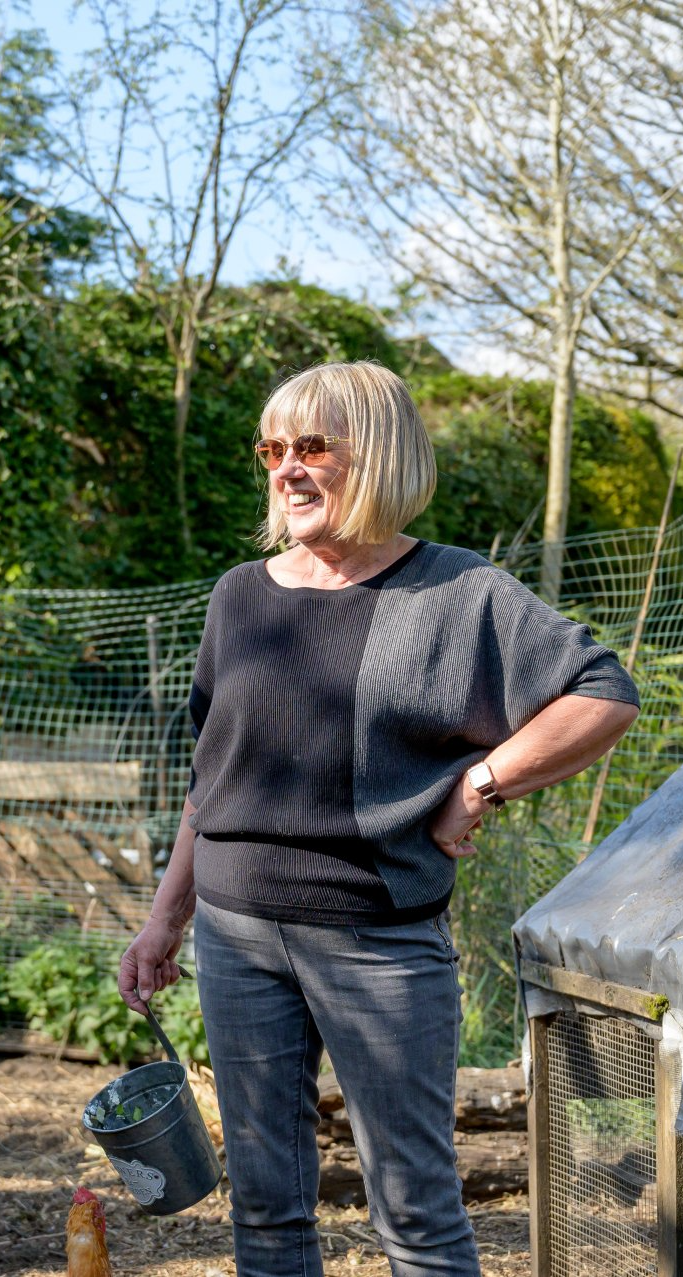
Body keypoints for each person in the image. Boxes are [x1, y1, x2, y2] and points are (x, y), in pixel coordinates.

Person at [118, 361, 639, 1277]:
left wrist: (481, 781)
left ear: (382, 452)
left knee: (416, 1214)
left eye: (312, 445)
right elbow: (213, 776)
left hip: (379, 941)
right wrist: (167, 918)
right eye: (271, 450)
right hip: (237, 938)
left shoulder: (458, 593)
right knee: (268, 1210)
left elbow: (602, 693)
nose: (285, 468)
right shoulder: (239, 595)